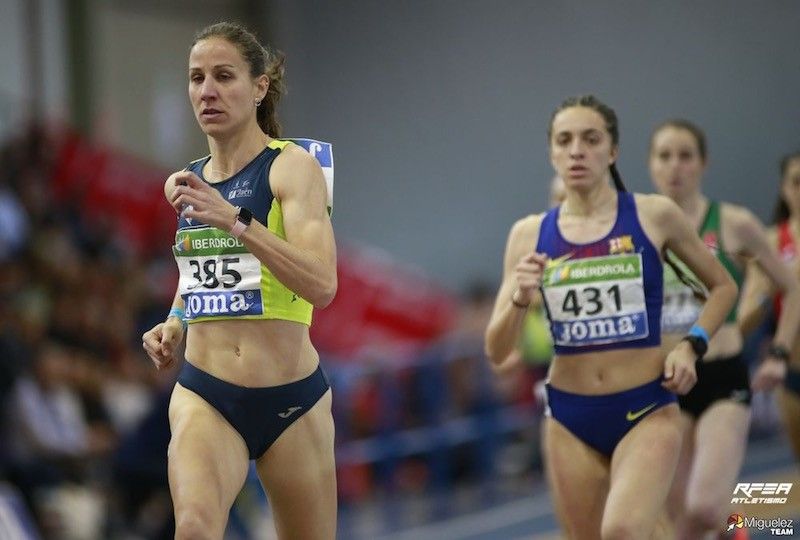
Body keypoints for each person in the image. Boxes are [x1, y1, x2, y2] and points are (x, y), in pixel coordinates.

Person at [485, 95, 738, 539]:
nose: (577, 150)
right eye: (565, 141)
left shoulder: (653, 215)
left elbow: (723, 287)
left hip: (645, 407)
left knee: (622, 531)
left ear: (613, 151)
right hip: (569, 416)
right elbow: (496, 349)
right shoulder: (528, 233)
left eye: (591, 139)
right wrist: (520, 299)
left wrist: (691, 344)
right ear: (552, 153)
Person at [141, 22, 337, 540]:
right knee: (196, 529)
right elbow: (197, 275)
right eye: (196, 77)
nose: (207, 90)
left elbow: (322, 284)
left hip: (292, 400)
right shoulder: (184, 184)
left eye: (224, 76)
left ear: (258, 87)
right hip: (206, 394)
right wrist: (176, 321)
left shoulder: (291, 169)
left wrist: (235, 219)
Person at [649, 121, 800, 538]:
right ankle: (733, 531)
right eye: (664, 155)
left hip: (721, 377)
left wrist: (779, 352)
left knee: (703, 506)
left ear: (703, 163)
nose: (675, 166)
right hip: (665, 386)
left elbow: (791, 287)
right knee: (680, 520)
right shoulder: (639, 228)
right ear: (650, 164)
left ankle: (737, 525)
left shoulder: (734, 222)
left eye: (685, 155)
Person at [739, 151, 800, 463]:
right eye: (797, 182)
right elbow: (747, 316)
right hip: (791, 376)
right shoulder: (771, 242)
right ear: (784, 188)